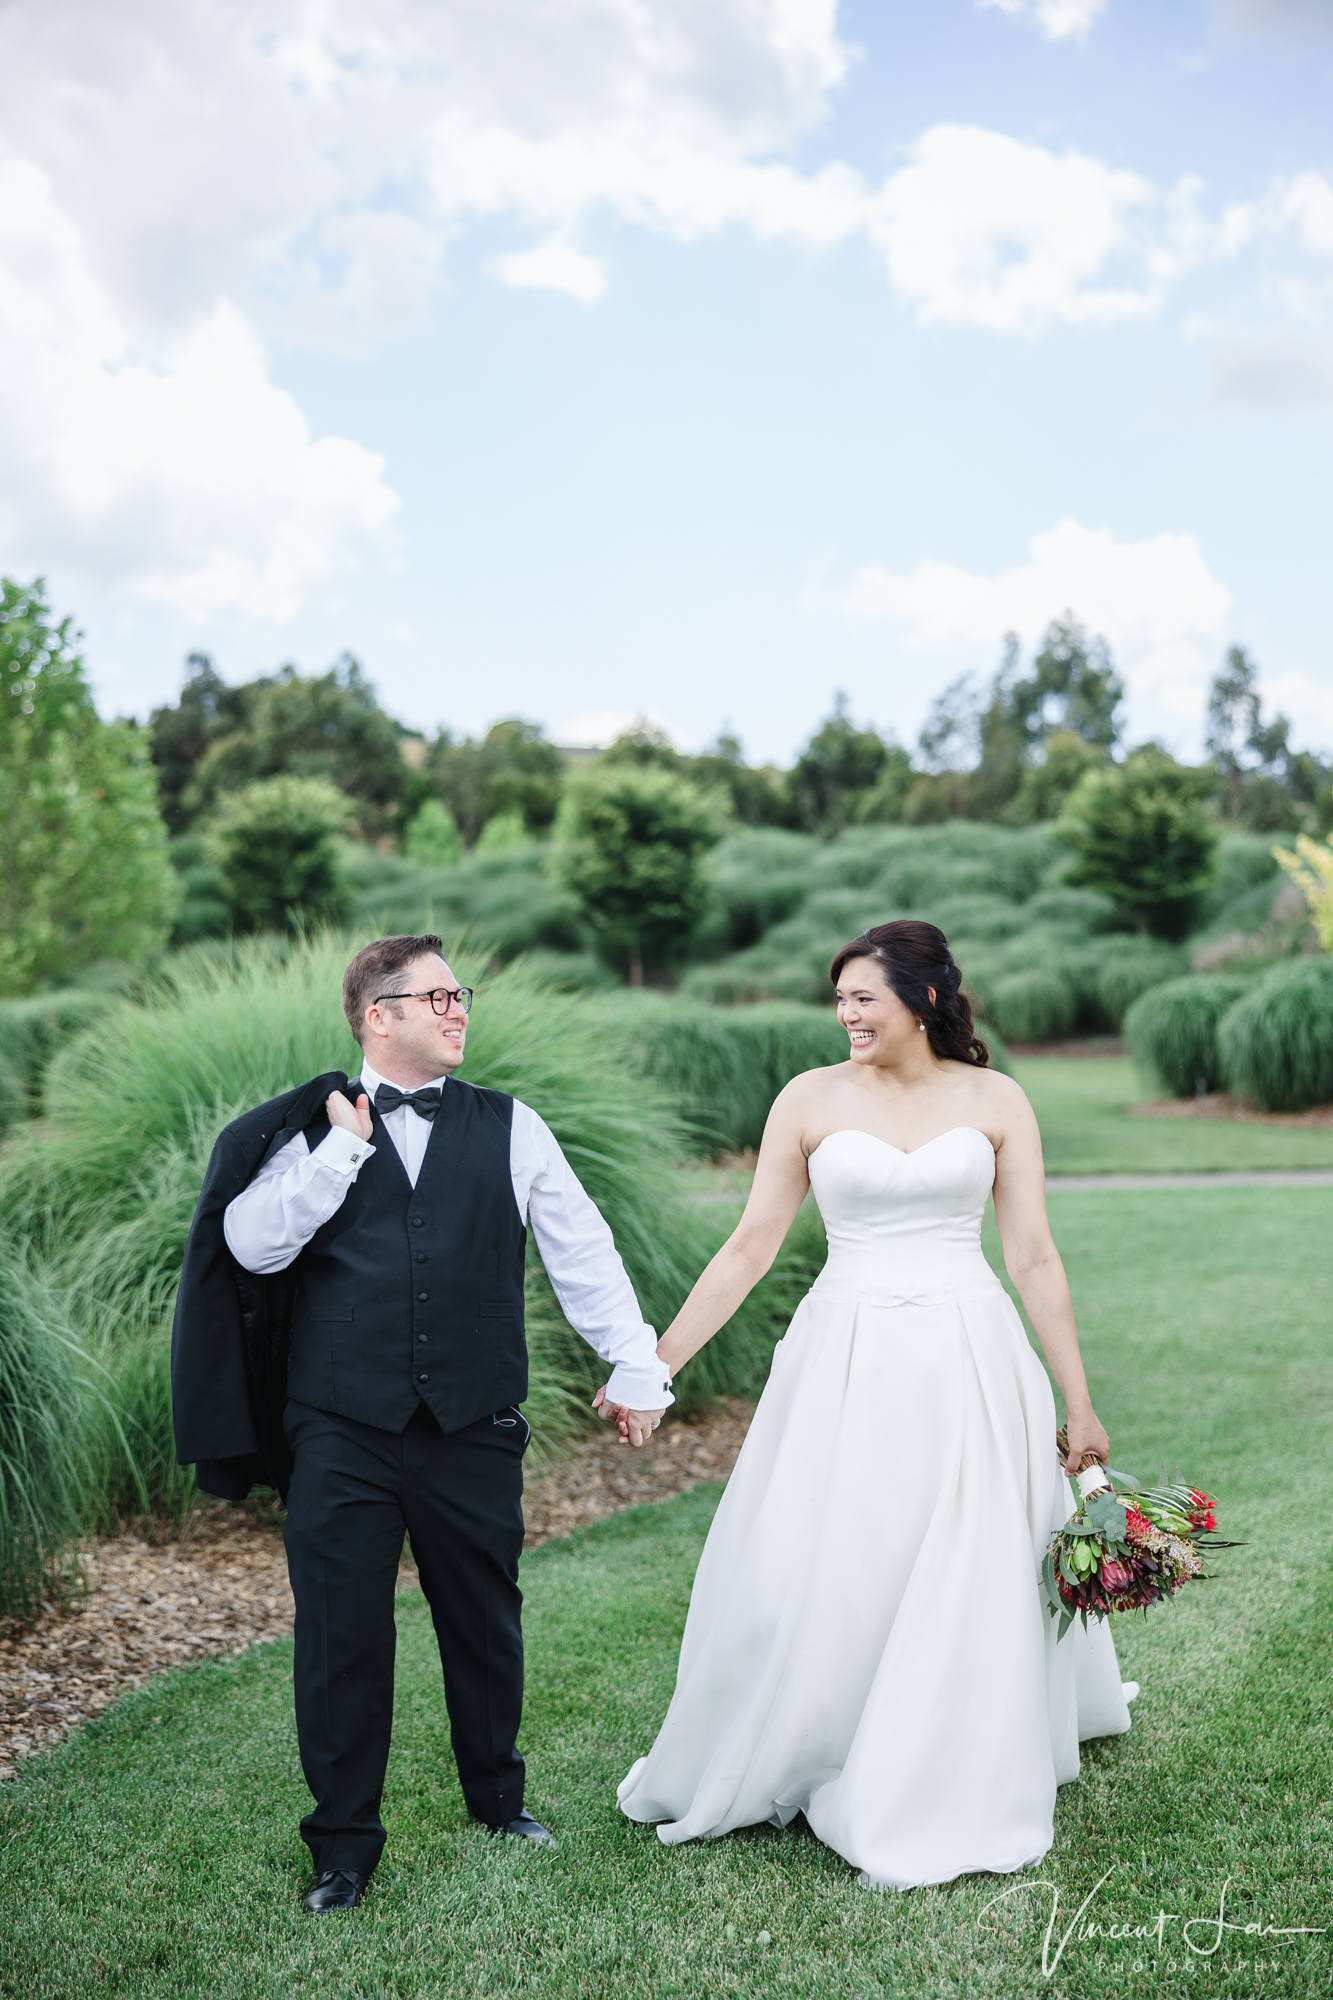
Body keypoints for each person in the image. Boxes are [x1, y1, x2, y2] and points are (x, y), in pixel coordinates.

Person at [613, 920, 1138, 1891]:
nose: (846, 1013)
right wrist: (658, 1360)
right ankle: (814, 1726)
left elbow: (1031, 1256)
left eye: (864, 996)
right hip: (842, 1352)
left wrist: (1078, 1398)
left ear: (925, 997)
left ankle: (945, 1744)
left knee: (963, 1554)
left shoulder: (996, 1099)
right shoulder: (807, 1099)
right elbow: (749, 1245)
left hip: (968, 1352)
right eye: (841, 998)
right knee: (827, 1551)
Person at [170, 934, 670, 1913]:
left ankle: (498, 1797)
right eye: (437, 997)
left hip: (471, 1420)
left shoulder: (512, 1125)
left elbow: (583, 1249)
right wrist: (342, 1152)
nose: (458, 1010)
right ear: (377, 1015)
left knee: (483, 1620)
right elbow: (250, 1247)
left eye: (461, 995)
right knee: (341, 1635)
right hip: (339, 1427)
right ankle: (344, 1844)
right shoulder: (310, 1131)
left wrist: (633, 1359)